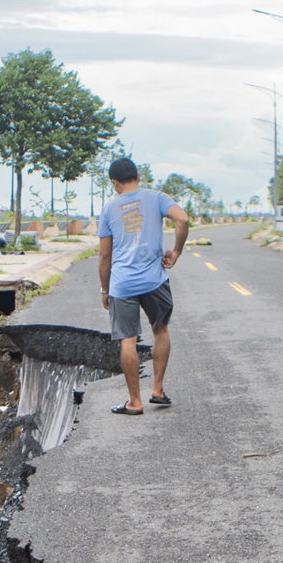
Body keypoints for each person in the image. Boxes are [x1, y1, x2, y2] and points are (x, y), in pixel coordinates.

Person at [97, 157, 190, 415]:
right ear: (138, 177)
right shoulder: (156, 197)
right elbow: (182, 220)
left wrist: (105, 290)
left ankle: (134, 402)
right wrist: (177, 251)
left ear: (114, 183)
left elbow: (105, 256)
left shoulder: (108, 209)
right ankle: (157, 390)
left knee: (128, 340)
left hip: (123, 284)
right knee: (160, 330)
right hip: (154, 280)